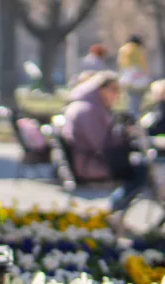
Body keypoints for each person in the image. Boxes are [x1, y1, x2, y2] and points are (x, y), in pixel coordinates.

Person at [62, 71, 146, 212]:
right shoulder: (88, 110)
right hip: (90, 164)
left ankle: (116, 209)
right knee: (142, 169)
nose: (117, 95)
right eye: (114, 89)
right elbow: (103, 144)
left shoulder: (87, 106)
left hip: (87, 160)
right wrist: (125, 136)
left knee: (139, 166)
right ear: (100, 88)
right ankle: (115, 209)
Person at [117, 35, 148, 116]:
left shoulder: (123, 49)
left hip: (127, 77)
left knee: (131, 98)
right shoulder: (139, 49)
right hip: (138, 77)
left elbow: (121, 64)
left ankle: (132, 113)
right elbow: (143, 64)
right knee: (137, 98)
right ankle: (135, 114)